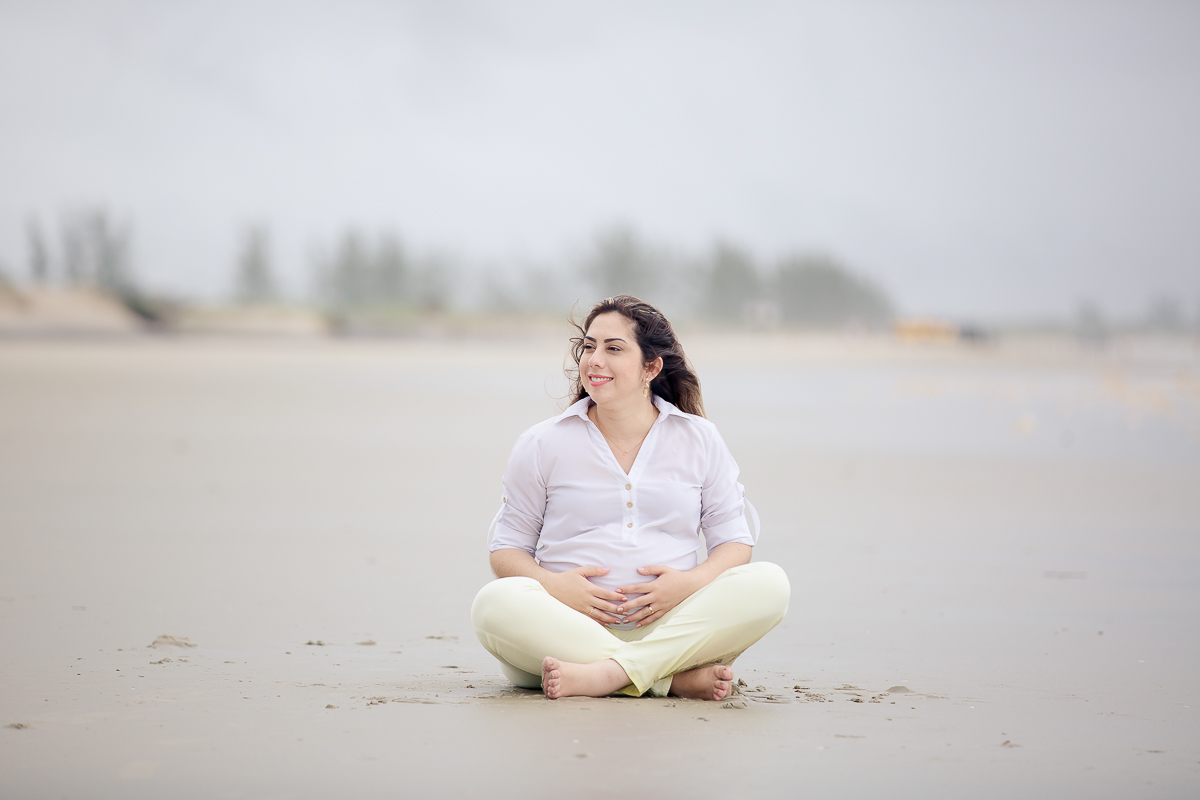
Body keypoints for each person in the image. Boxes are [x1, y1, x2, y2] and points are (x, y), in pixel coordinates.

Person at [471, 295, 789, 700]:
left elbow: (734, 542)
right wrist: (553, 586)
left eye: (613, 348)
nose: (594, 360)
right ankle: (666, 678)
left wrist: (689, 583)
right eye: (589, 346)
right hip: (563, 628)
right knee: (494, 603)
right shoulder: (541, 443)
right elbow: (506, 551)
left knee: (770, 583)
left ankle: (607, 674)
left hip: (674, 625)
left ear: (651, 367)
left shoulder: (699, 439)